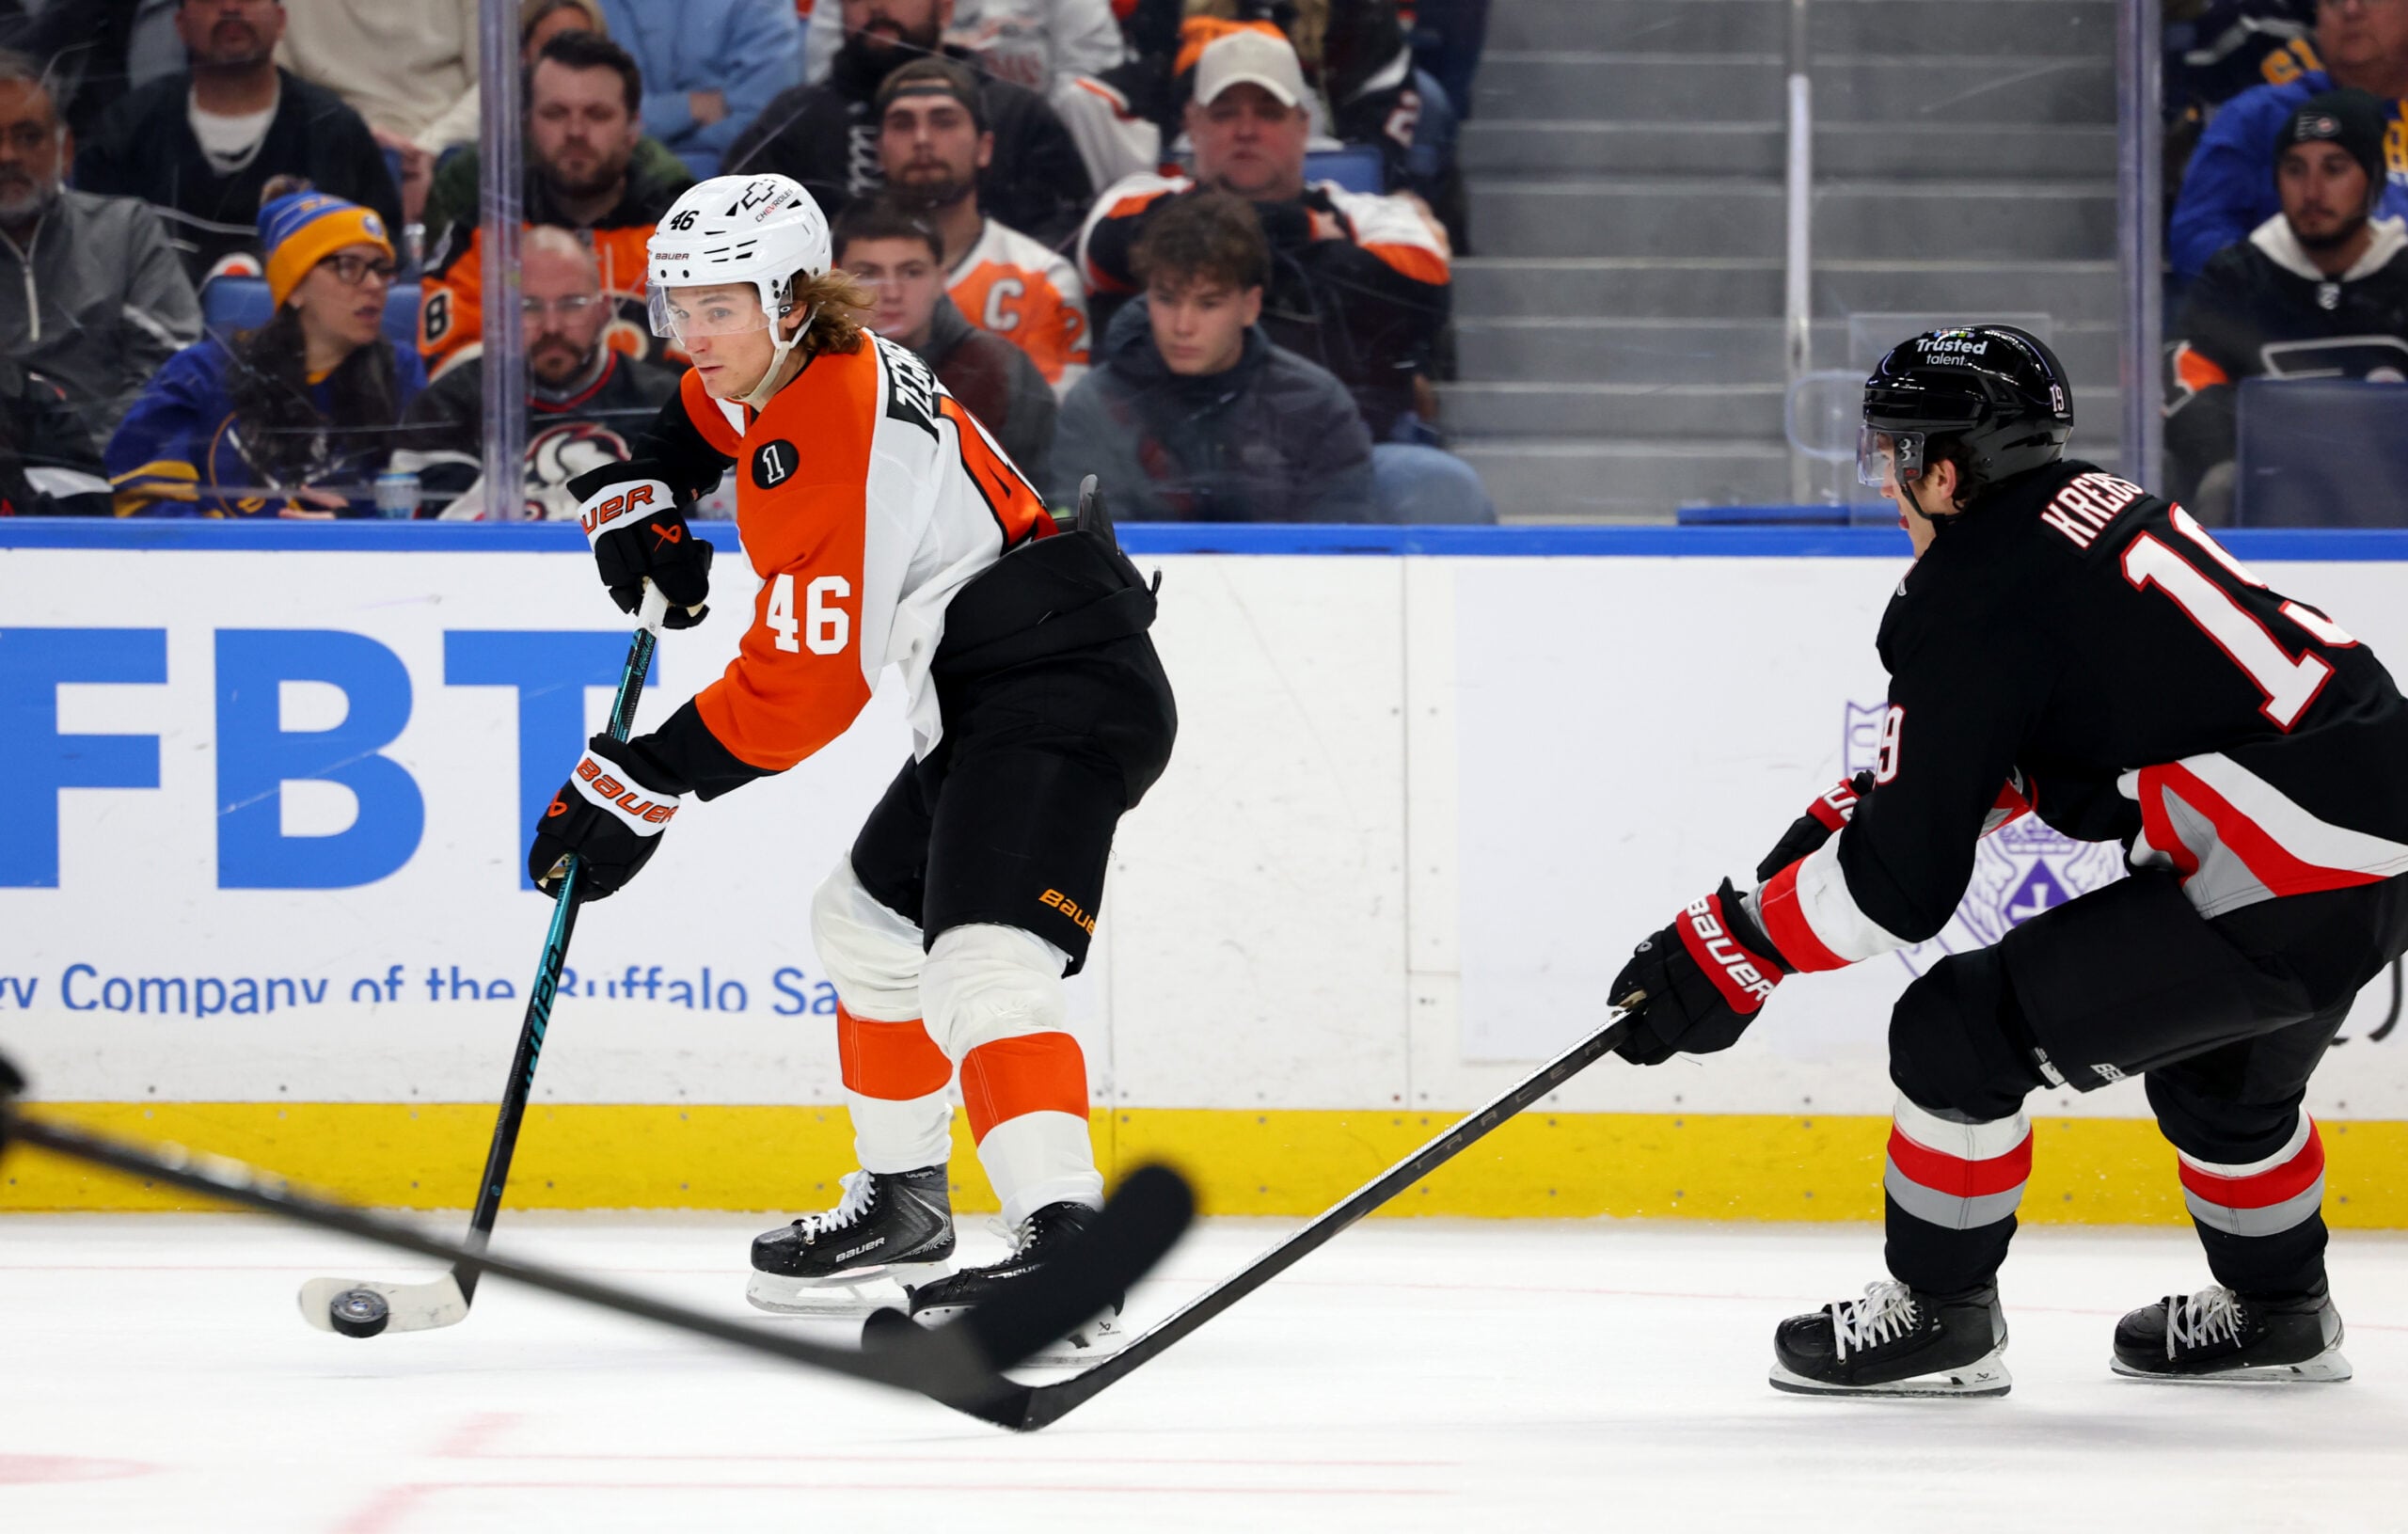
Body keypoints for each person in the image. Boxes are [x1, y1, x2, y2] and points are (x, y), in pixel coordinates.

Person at [1604, 324, 2408, 1396]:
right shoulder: (2088, 506)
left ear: (1942, 469)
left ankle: (1942, 1316)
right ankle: (2279, 1311)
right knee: (2222, 1085)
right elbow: (1991, 765)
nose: (1882, 477)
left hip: (2284, 870)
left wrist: (1739, 949)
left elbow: (1899, 886)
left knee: (1952, 1032)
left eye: (1888, 450)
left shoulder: (1972, 595)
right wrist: (1762, 898)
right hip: (2369, 832)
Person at [525, 171, 1174, 1345]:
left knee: (980, 960)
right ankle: (906, 1204)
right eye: (676, 308)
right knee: (866, 929)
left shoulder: (826, 431)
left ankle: (1067, 1241)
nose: (688, 335)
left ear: (785, 299)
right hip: (1000, 688)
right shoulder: (797, 366)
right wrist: (645, 490)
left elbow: (808, 687)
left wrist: (644, 779)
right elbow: (701, 417)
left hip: (1058, 690)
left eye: (714, 308)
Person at [1080, 25, 1488, 523]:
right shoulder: (1134, 198)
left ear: (1304, 124)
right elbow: (1107, 251)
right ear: (1192, 122)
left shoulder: (1376, 216)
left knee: (1435, 486)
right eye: (1225, 113)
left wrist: (1227, 251)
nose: (1246, 130)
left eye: (1268, 113)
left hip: (1335, 463)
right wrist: (1301, 232)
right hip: (1163, 465)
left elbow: (1423, 300)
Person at [1052, 189, 1372, 521]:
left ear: (1250, 306)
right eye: (1166, 300)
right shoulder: (1094, 404)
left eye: (1208, 304)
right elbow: (1088, 556)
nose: (1183, 326)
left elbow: (1340, 556)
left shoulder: (1317, 405)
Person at [107, 188, 425, 516]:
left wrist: (351, 532)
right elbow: (140, 505)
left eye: (381, 268)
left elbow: (432, 506)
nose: (374, 284)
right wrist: (232, 550)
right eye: (348, 266)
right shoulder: (200, 374)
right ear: (296, 287)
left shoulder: (401, 372)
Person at [2166, 89, 2408, 518]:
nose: (2312, 191)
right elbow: (2185, 376)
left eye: (2335, 169)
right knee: (2221, 485)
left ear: (2372, 180)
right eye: (2295, 170)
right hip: (2273, 503)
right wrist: (2231, 453)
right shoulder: (2237, 278)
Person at [419, 30, 692, 379]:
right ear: (529, 125)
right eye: (555, 113)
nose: (576, 131)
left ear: (633, 129)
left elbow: (725, 388)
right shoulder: (476, 241)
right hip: (522, 434)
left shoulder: (685, 240)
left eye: (597, 114)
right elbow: (450, 388)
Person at [71, 0, 403, 285]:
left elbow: (383, 257)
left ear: (281, 20)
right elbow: (92, 266)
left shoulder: (334, 131)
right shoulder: (125, 128)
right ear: (181, 25)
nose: (230, 7)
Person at [724, 0, 1095, 251]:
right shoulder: (798, 115)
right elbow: (732, 223)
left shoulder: (1015, 112)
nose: (877, 7)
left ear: (945, 10)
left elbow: (1067, 230)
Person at [390, 227, 681, 519]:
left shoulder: (669, 404)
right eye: (529, 307)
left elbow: (712, 521)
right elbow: (437, 536)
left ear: (603, 312)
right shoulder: (446, 405)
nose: (552, 326)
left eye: (572, 305)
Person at [0, 52, 201, 442]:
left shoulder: (125, 231)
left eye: (28, 137)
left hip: (116, 468)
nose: (7, 155)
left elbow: (171, 367)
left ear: (66, 151)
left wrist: (88, 457)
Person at [877, 56, 1091, 392]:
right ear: (880, 151)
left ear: (984, 147)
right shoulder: (826, 269)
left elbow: (1050, 431)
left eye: (944, 122)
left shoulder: (1043, 280)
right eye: (903, 124)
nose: (921, 138)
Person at [800, 0, 1163, 191]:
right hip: (876, 122)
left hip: (1023, 132)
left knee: (1084, 100)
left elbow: (1090, 85)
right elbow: (830, 74)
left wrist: (998, 131)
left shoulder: (1019, 111)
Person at [2169, 0, 2408, 282]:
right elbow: (2196, 239)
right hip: (2301, 322)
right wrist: (2285, 291)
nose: (2350, 9)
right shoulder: (2258, 117)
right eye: (2332, 1)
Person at [836, 198, 1057, 490]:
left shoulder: (1000, 369)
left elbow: (1046, 499)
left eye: (911, 272)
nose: (891, 291)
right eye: (869, 274)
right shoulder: (801, 370)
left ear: (942, 279)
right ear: (836, 280)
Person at [275, 0, 483, 224]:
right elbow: (279, 87)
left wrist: (429, 149)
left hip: (453, 140)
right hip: (341, 137)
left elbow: (496, 82)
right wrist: (362, 132)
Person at [583, 0, 801, 179]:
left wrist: (650, 125)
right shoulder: (596, 6)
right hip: (613, 189)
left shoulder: (762, 6)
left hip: (737, 193)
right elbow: (587, 111)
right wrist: (688, 108)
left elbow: (764, 126)